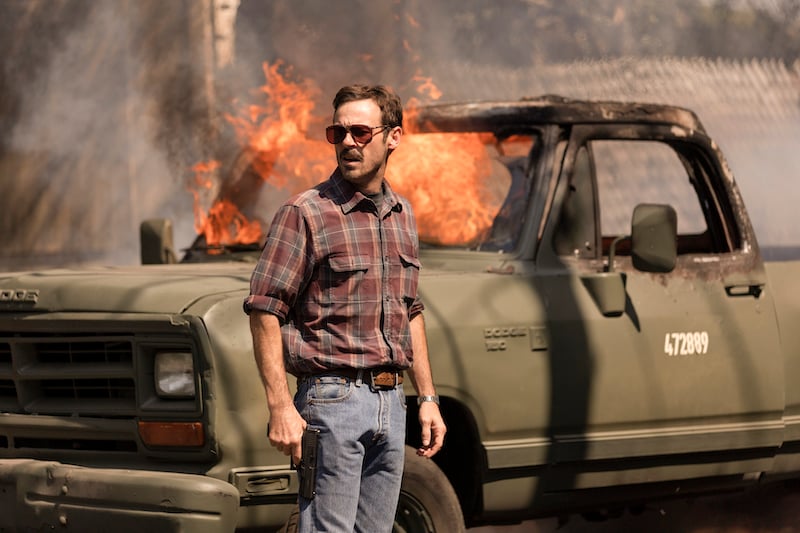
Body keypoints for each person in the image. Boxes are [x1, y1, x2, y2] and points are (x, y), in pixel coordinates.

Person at [243, 84, 446, 532]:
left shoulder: (402, 213)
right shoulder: (306, 212)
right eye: (339, 133)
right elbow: (264, 309)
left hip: (392, 403)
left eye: (360, 131)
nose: (349, 142)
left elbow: (410, 310)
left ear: (392, 137)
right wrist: (279, 405)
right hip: (331, 402)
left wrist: (427, 397)